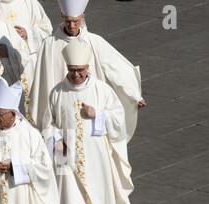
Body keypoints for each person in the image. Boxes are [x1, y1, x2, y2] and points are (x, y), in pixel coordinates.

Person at [43, 40, 134, 204]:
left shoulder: (101, 91)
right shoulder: (57, 92)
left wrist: (97, 115)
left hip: (95, 154)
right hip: (65, 154)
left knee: (98, 195)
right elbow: (48, 124)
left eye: (80, 70)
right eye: (72, 70)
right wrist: (56, 141)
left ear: (88, 68)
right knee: (73, 202)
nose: (76, 75)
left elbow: (118, 120)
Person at [28, 0, 145, 142]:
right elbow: (42, 81)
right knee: (62, 156)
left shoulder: (94, 41)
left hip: (91, 102)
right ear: (62, 16)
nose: (72, 26)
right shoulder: (49, 44)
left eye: (75, 21)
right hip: (61, 104)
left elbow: (116, 68)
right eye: (68, 21)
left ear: (82, 16)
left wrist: (133, 94)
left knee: (92, 148)